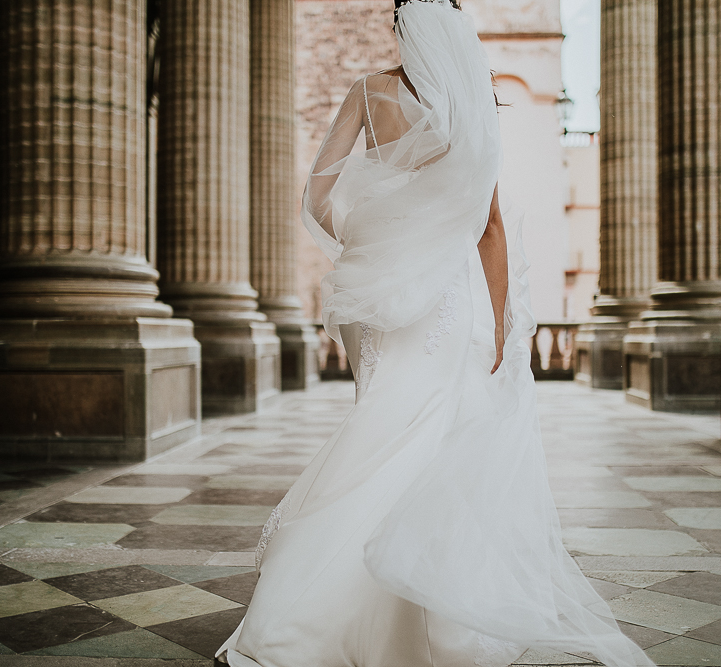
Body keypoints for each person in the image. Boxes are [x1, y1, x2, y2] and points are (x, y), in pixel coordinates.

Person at [216, 1, 655, 665]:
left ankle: (310, 619)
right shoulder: (475, 105)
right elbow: (491, 227)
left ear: (400, 28)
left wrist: (372, 247)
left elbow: (318, 199)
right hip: (455, 304)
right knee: (441, 441)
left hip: (387, 298)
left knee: (382, 428)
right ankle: (429, 621)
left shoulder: (370, 91)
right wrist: (503, 320)